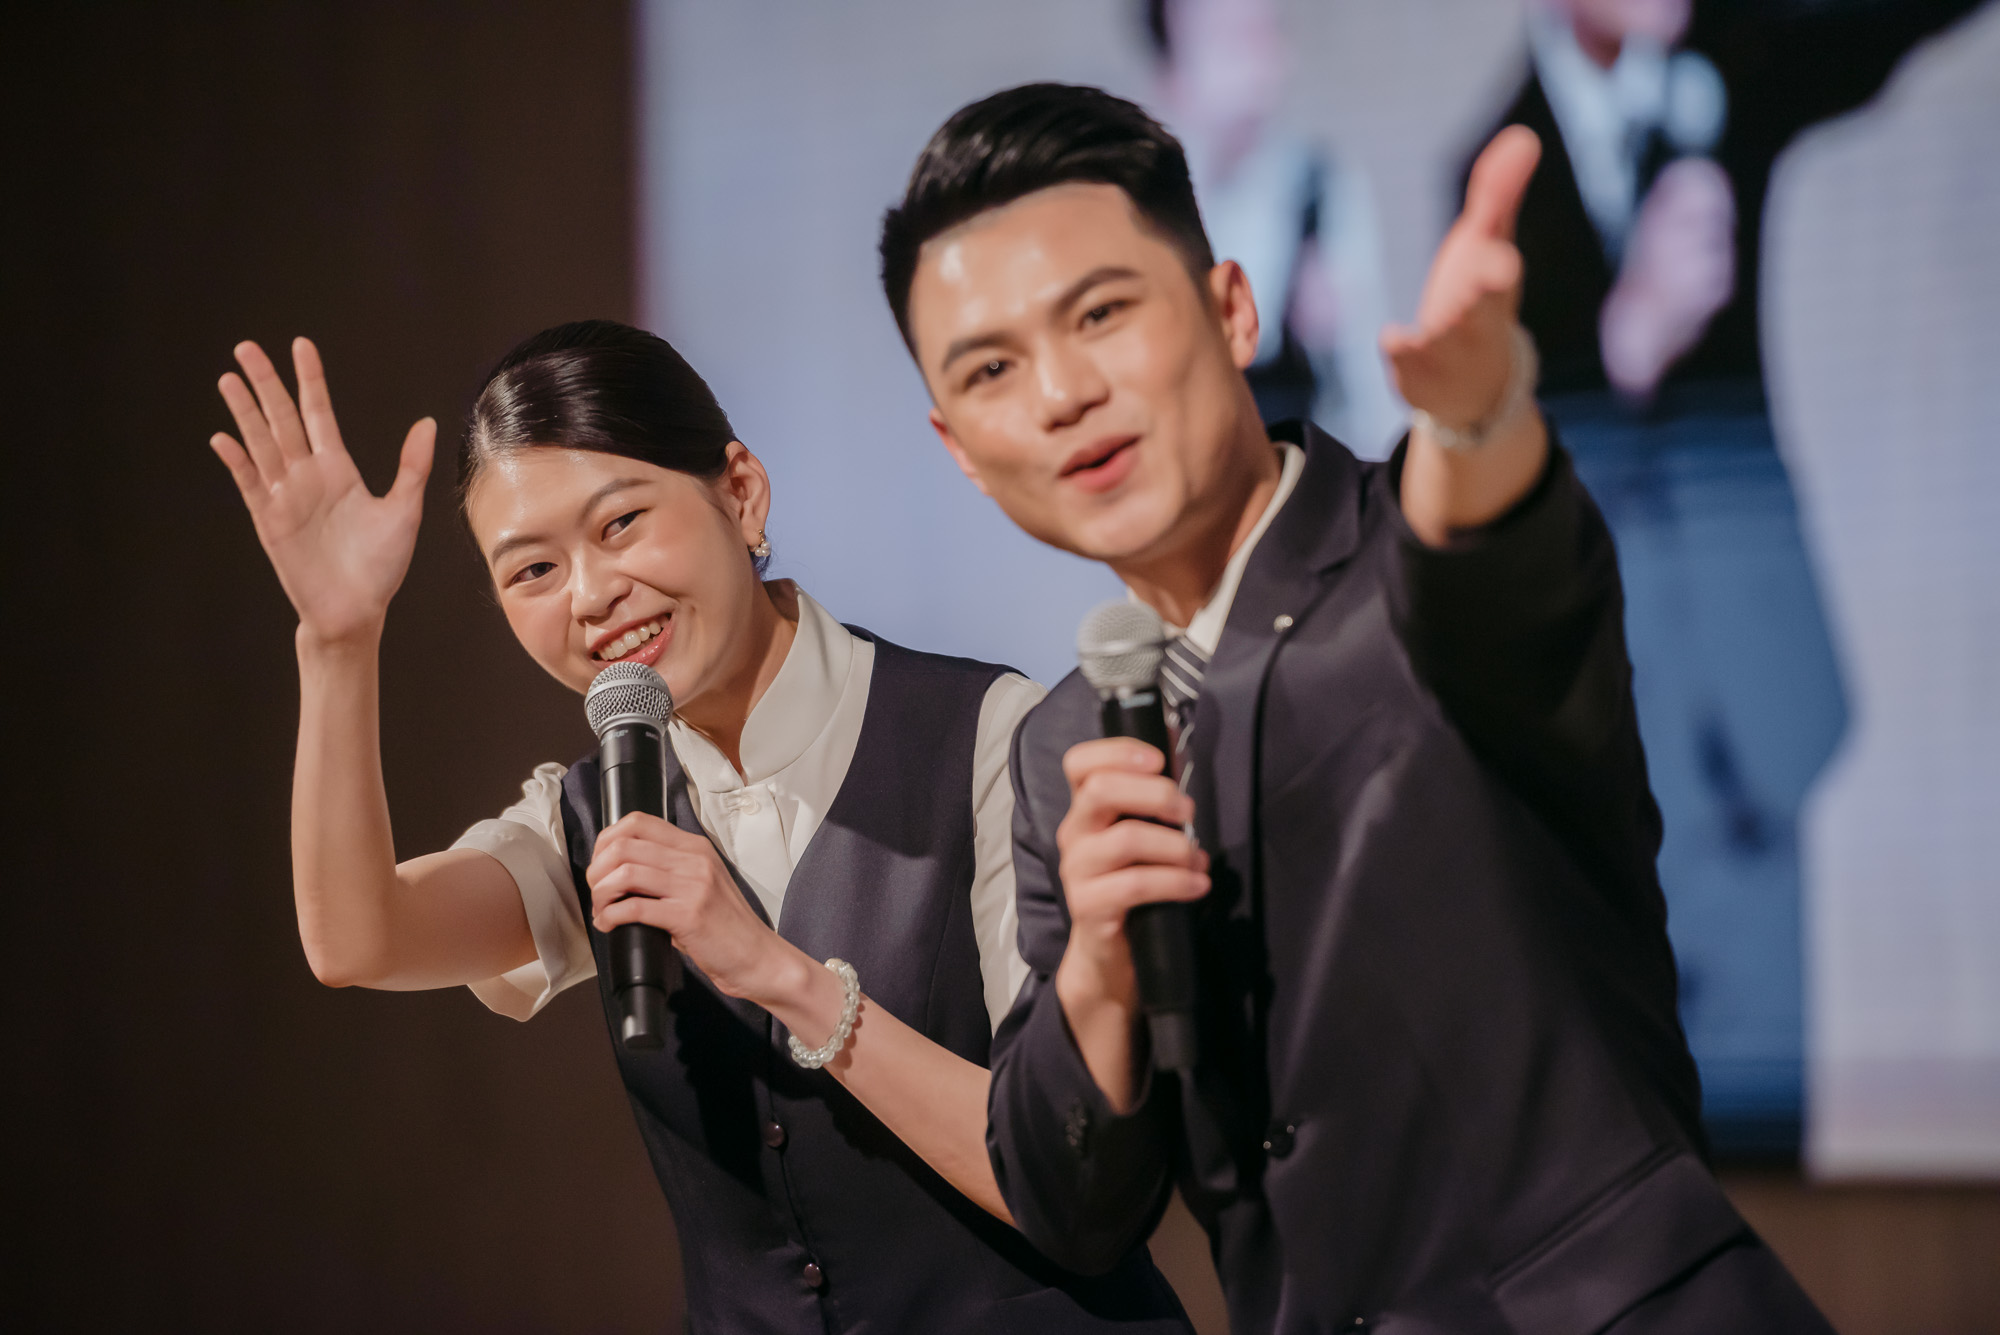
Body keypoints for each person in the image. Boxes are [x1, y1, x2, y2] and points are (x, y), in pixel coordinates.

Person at [879, 84, 1833, 1331]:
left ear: (1231, 308)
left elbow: (1485, 561)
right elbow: (1075, 1208)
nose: (1059, 392)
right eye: (992, 368)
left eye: (1100, 312)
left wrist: (1475, 418)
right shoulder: (1063, 747)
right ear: (957, 446)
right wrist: (1102, 976)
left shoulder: (1405, 559)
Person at [206, 321, 1191, 1332]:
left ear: (742, 493)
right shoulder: (590, 811)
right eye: (532, 571)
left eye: (621, 522)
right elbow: (359, 939)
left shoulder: (990, 737)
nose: (592, 595)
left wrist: (783, 977)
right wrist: (338, 641)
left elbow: (1070, 1177)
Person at [1482, 0, 1974, 1147]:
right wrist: (1623, 341)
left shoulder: (1723, 64)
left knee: (1762, 1126)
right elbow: (1478, 473)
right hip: (1596, 707)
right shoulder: (1490, 165)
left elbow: (1860, 31)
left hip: (1749, 700)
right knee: (1617, 1118)